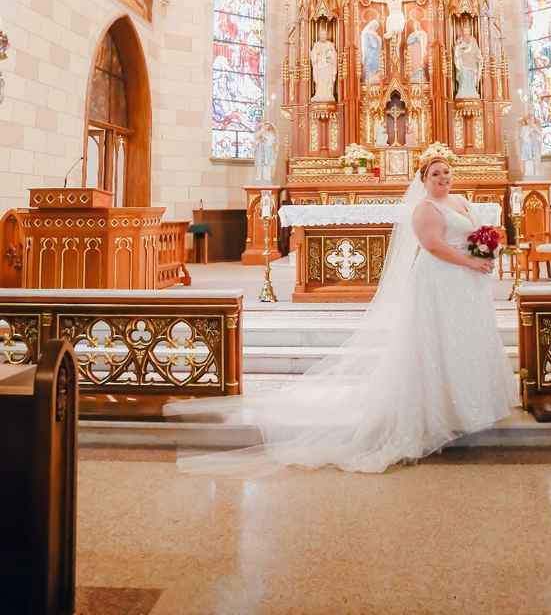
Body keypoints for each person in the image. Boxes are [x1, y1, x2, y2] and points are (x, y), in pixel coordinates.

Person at [168, 145, 516, 474]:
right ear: (423, 179)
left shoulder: (460, 201)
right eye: (435, 173)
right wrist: (471, 262)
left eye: (446, 172)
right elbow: (433, 245)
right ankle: (440, 410)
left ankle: (469, 404)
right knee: (439, 339)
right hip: (440, 280)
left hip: (464, 284)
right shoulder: (425, 209)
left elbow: (477, 234)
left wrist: (485, 251)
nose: (442, 178)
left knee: (462, 338)